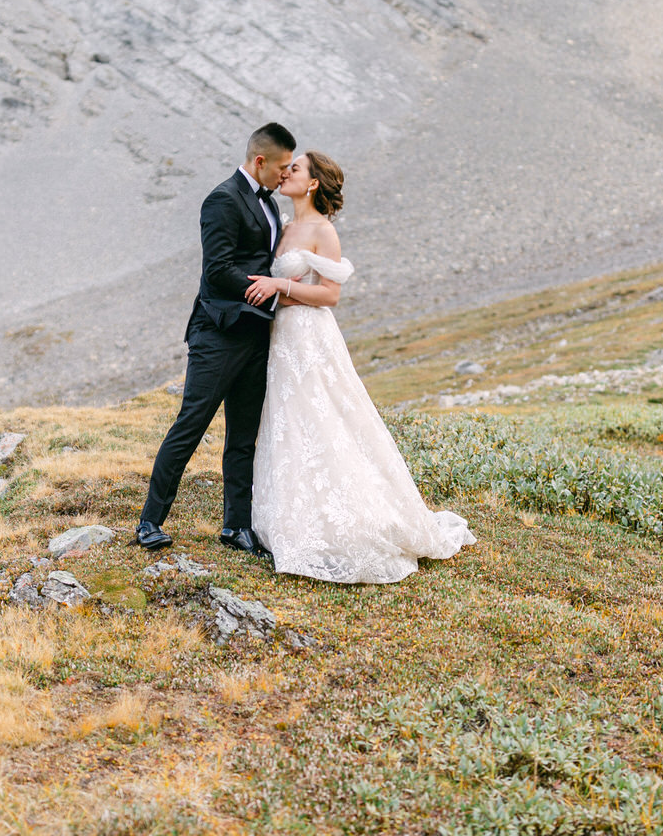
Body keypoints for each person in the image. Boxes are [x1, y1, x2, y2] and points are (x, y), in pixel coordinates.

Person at [245, 151, 475, 582]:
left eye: (294, 169)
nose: (285, 172)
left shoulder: (322, 230)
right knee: (288, 421)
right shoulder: (286, 225)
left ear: (312, 183)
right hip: (282, 336)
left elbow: (330, 294)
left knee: (322, 417)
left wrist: (279, 285)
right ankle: (290, 512)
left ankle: (348, 517)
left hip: (310, 336)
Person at [136, 123, 296, 556]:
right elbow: (217, 270)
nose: (285, 176)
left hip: (257, 334)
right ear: (260, 161)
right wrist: (263, 284)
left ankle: (235, 527)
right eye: (281, 167)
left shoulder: (270, 206)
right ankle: (150, 520)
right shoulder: (223, 199)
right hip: (219, 333)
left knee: (244, 436)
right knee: (191, 425)